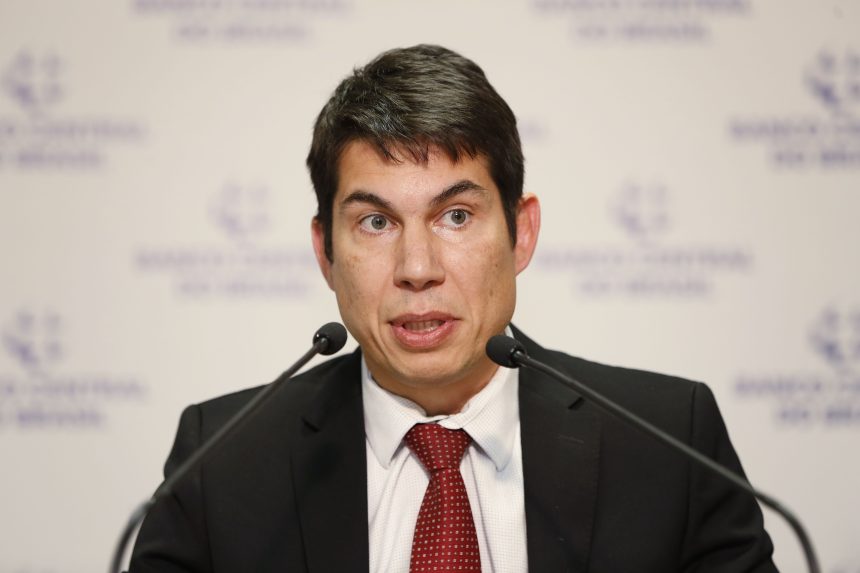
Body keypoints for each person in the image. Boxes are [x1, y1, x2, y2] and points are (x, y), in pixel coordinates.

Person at [129, 44, 777, 572]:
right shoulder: (222, 462)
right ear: (324, 251)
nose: (418, 268)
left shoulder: (670, 445)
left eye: (456, 216)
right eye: (376, 222)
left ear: (522, 233)